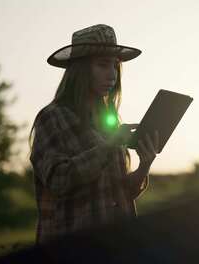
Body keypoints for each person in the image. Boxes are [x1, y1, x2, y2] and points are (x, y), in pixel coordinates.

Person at [28, 24, 159, 245]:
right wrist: (109, 147)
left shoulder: (108, 122)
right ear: (80, 70)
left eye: (115, 67)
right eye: (103, 65)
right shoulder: (52, 118)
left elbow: (117, 192)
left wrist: (144, 165)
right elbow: (58, 180)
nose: (112, 75)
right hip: (71, 252)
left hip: (119, 248)